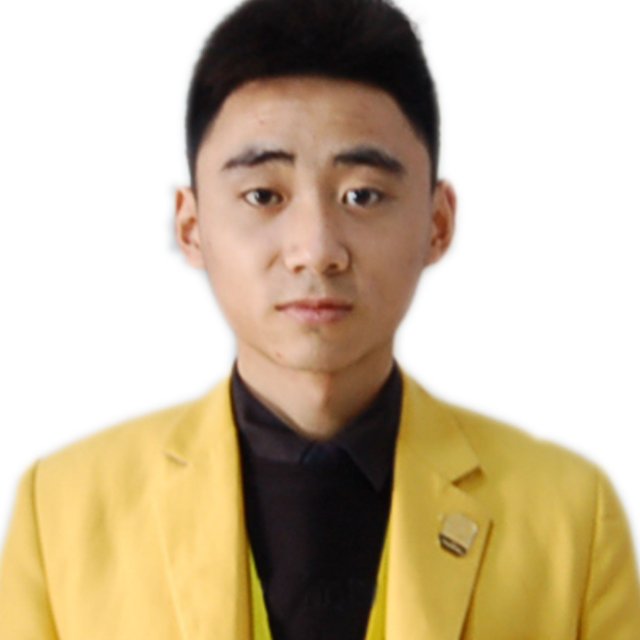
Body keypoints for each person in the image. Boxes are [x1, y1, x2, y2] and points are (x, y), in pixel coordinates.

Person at [1, 0, 638, 637]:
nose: (316, 250)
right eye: (263, 194)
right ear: (192, 227)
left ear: (437, 223)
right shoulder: (60, 514)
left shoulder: (570, 518)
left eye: (362, 194)